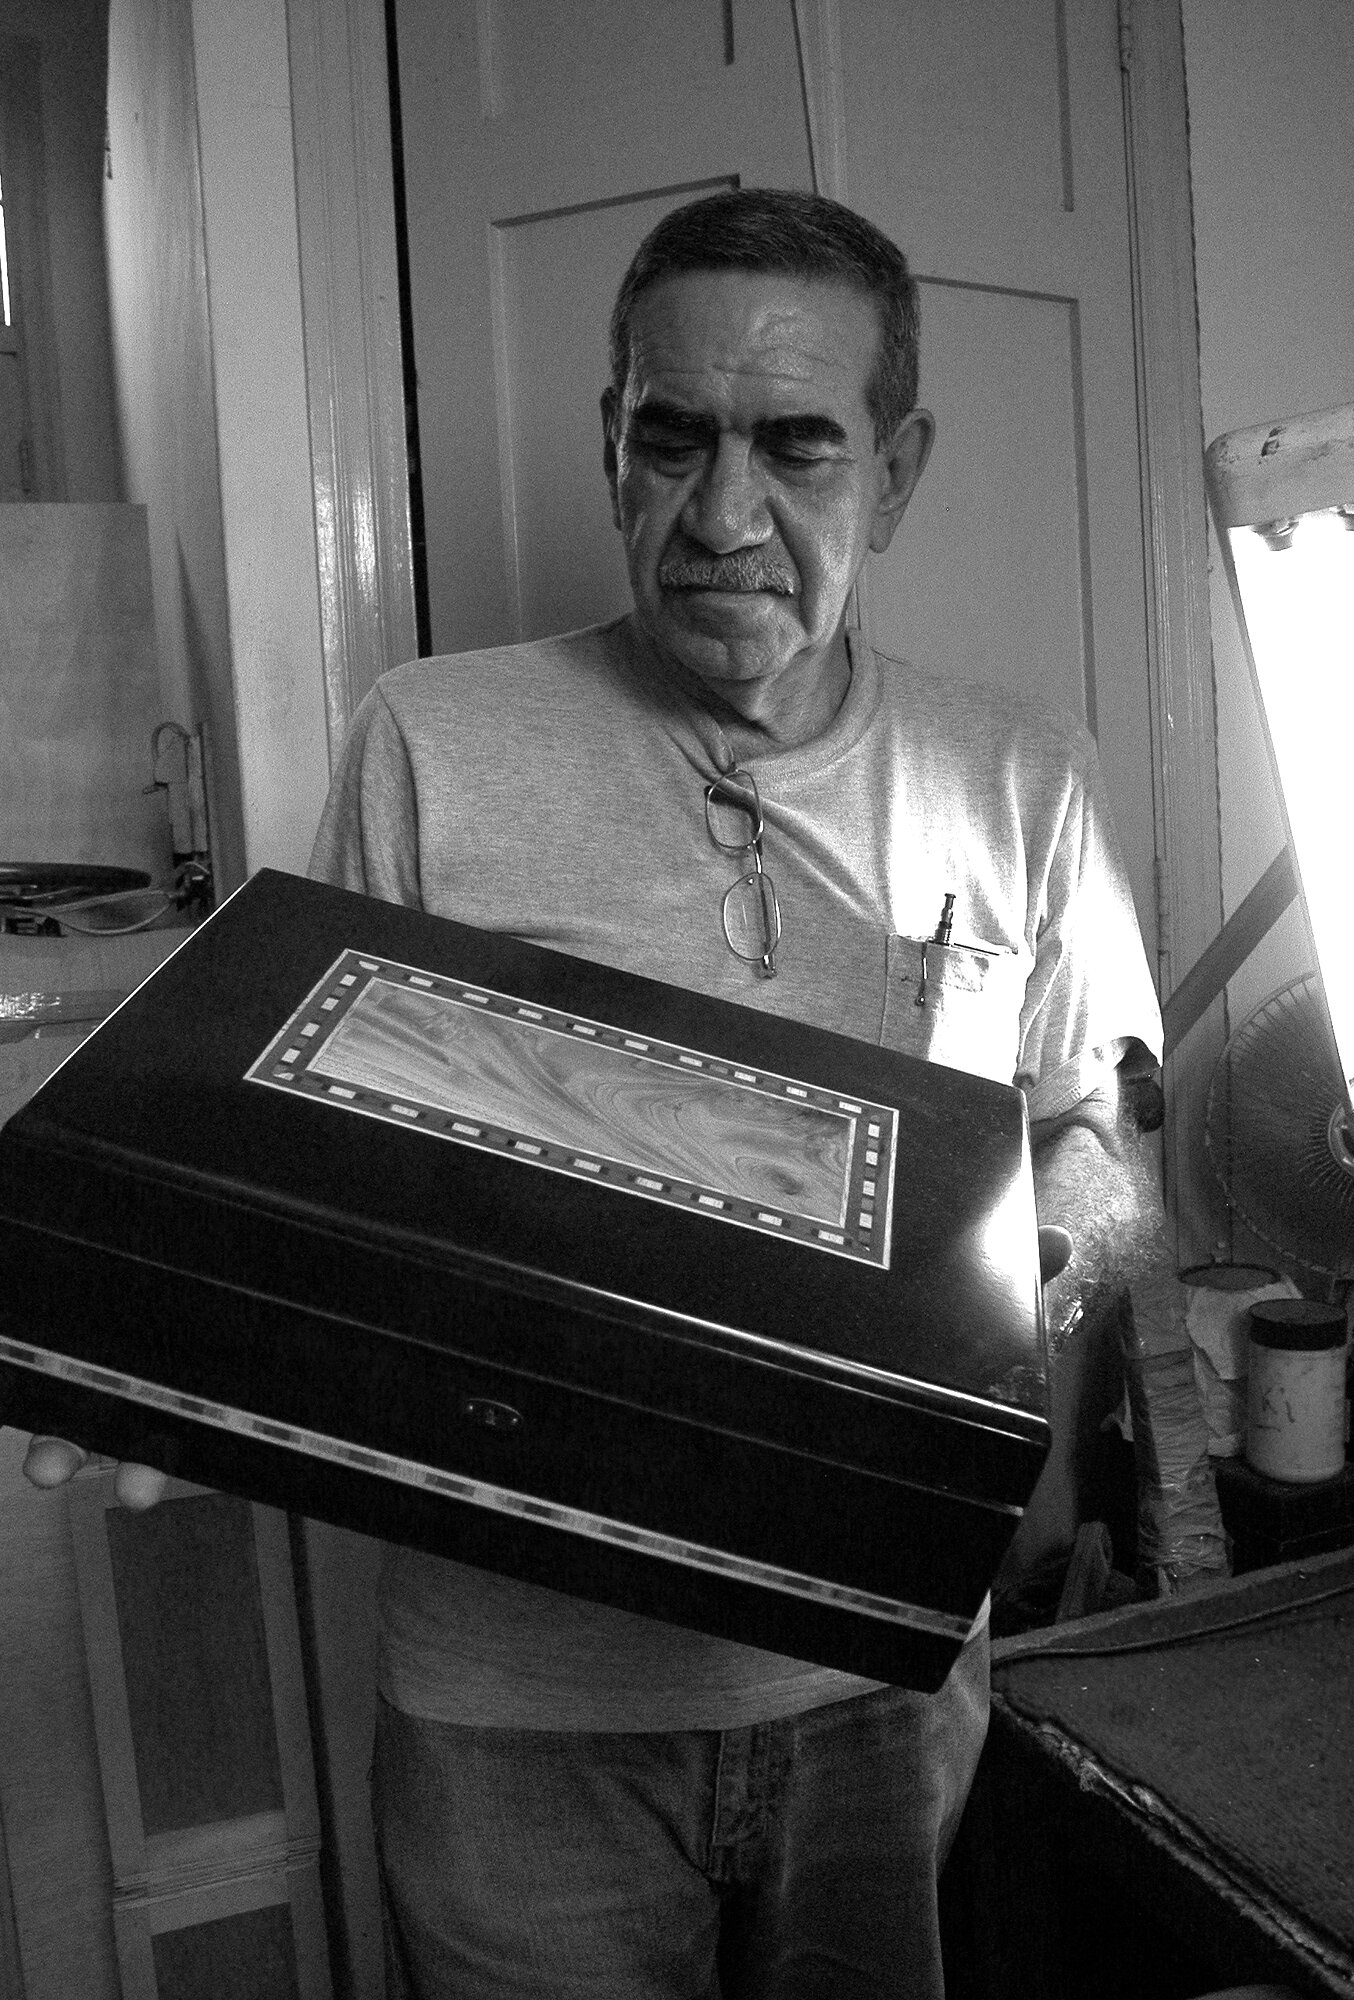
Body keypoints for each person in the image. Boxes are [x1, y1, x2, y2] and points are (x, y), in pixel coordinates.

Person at [26, 187, 1225, 1997]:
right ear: (611, 446)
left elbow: (1109, 1145)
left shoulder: (1020, 778)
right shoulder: (433, 740)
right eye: (675, 438)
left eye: (797, 449)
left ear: (894, 471)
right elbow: (317, 1156)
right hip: (516, 1722)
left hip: (880, 1697)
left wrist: (1013, 1282)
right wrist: (179, 1361)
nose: (725, 516)